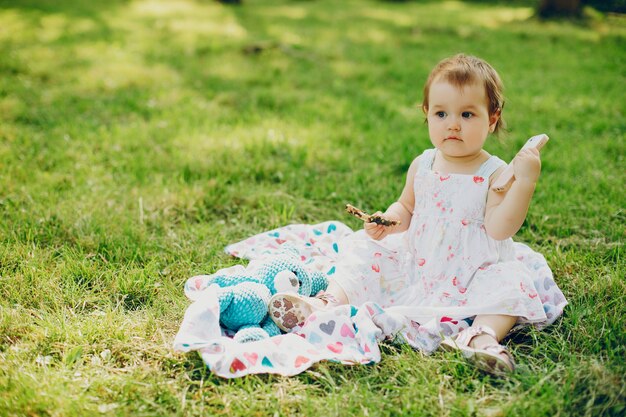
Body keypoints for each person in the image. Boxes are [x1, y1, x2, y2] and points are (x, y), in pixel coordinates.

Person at [267, 54, 566, 375]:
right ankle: (325, 304)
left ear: (492, 119)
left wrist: (525, 182)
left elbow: (499, 228)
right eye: (441, 113)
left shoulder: (494, 173)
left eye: (467, 114)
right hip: (418, 259)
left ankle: (482, 337)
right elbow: (407, 207)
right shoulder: (423, 164)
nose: (452, 123)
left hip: (472, 269)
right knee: (365, 253)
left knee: (511, 281)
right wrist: (389, 221)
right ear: (427, 114)